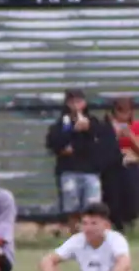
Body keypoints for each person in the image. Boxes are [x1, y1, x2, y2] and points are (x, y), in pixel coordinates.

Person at [38, 202, 136, 271]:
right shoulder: (77, 240)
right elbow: (47, 261)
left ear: (106, 225)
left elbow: (124, 262)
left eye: (94, 224)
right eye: (85, 223)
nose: (88, 229)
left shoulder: (115, 239)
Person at [46, 89, 108, 231]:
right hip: (69, 170)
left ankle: (92, 234)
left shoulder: (93, 122)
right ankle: (74, 235)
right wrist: (73, 131)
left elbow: (102, 143)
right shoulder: (62, 123)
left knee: (93, 207)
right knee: (71, 208)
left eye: (79, 101)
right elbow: (54, 143)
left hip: (91, 171)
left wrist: (89, 129)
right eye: (72, 102)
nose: (75, 105)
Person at [102, 97, 139, 231]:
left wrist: (131, 137)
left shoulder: (136, 126)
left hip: (131, 166)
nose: (124, 115)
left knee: (132, 196)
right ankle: (115, 224)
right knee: (113, 197)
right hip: (112, 167)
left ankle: (129, 222)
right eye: (120, 111)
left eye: (127, 111)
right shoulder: (106, 127)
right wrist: (113, 134)